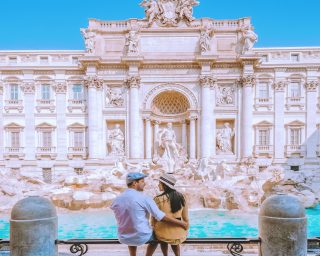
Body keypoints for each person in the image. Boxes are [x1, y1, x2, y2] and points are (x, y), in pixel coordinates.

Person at [110, 172, 188, 256]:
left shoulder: (116, 200)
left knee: (132, 229)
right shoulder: (144, 198)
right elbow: (160, 216)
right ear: (134, 183)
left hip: (123, 237)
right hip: (141, 236)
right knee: (155, 239)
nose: (145, 184)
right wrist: (181, 223)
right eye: (142, 181)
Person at [147, 173, 189, 256]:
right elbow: (185, 218)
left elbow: (153, 220)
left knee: (161, 233)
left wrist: (153, 227)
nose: (158, 185)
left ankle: (165, 255)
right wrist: (185, 228)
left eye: (159, 183)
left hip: (162, 234)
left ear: (164, 185)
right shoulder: (182, 197)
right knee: (174, 238)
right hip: (179, 233)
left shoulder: (157, 199)